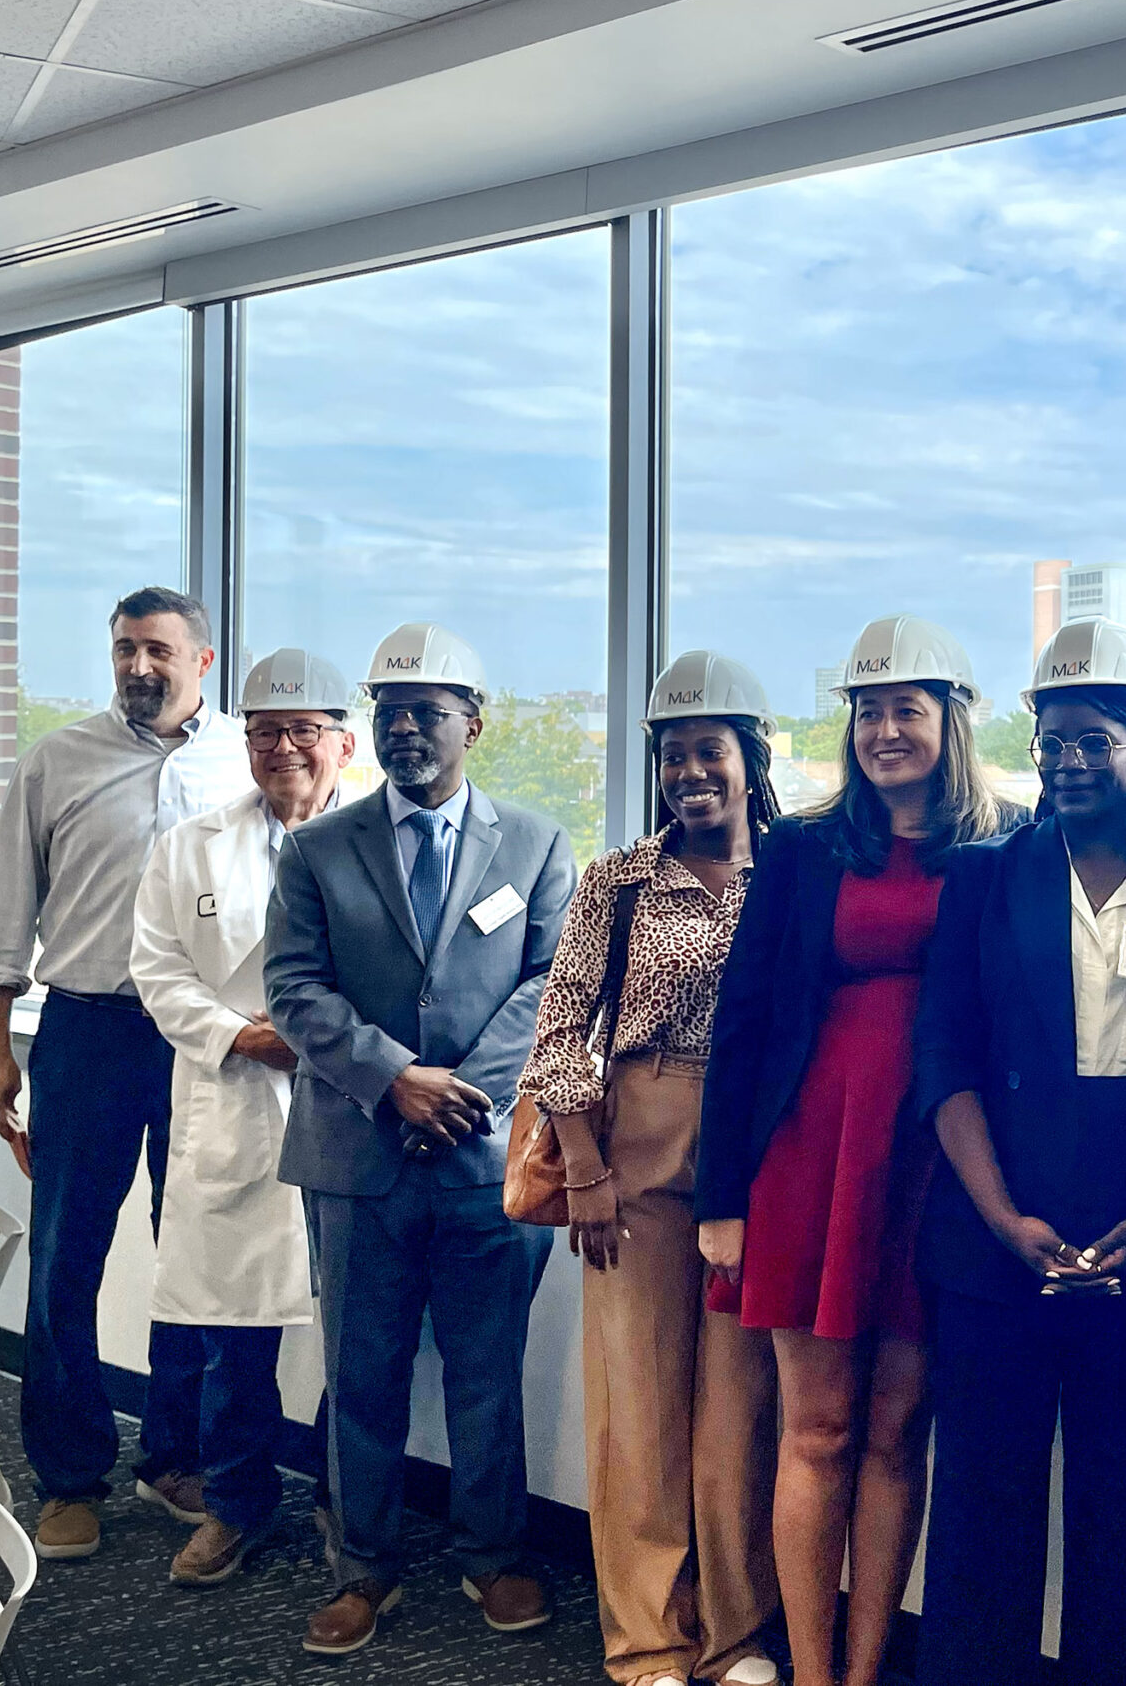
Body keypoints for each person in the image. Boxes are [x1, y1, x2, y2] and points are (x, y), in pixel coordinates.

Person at [696, 615, 1022, 1686]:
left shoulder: (1000, 849)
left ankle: (868, 1669)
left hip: (937, 1166)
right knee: (817, 1430)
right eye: (868, 712)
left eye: (907, 710)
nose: (885, 730)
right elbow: (741, 1022)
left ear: (952, 722)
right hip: (810, 1163)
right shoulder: (801, 849)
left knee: (896, 1432)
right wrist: (720, 1196)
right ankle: (811, 1667)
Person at [268, 621, 576, 1659]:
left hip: (485, 1162)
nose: (405, 728)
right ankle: (361, 1570)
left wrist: (462, 1095)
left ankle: (492, 1556)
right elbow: (294, 990)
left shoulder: (536, 844)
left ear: (472, 725)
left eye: (427, 711)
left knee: (489, 1375)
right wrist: (393, 1080)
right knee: (362, 1372)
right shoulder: (316, 848)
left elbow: (552, 985)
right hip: (355, 1160)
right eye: (390, 710)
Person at [913, 619, 1126, 1686]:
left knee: (1123, 1522)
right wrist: (1001, 1219)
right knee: (982, 1523)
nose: (1067, 761)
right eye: (1049, 742)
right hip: (995, 1243)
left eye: (1093, 741)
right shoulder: (984, 876)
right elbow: (942, 1062)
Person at [0, 585, 252, 1561]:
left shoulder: (241, 762)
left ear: (200, 663)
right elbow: (5, 903)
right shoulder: (59, 759)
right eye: (125, 648)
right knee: (64, 1261)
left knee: (196, 1253)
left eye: (158, 651)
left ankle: (174, 1454)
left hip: (204, 1042)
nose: (138, 666)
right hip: (86, 1033)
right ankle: (69, 1476)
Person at [517, 652, 785, 1686]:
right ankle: (647, 1645)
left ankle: (736, 1635)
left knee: (737, 1406)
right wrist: (581, 1165)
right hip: (634, 1141)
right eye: (672, 757)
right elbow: (558, 1033)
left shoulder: (794, 873)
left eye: (708, 752)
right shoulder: (617, 880)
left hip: (757, 1147)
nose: (689, 774)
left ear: (750, 757)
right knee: (636, 1406)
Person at [130, 648, 355, 1589]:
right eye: (266, 731)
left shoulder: (378, 838)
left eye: (306, 730)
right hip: (233, 1102)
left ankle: (349, 1507)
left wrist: (329, 1042)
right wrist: (239, 1035)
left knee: (358, 1332)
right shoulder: (192, 844)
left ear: (344, 741)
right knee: (233, 1335)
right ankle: (235, 1503)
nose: (285, 749)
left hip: (346, 1107)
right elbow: (156, 968)